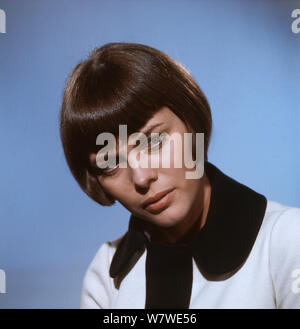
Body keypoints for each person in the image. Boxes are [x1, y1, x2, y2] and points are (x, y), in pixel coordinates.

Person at [59, 42, 300, 309]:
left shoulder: (287, 240)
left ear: (192, 122)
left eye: (153, 141)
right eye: (110, 164)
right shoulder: (105, 273)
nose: (141, 178)